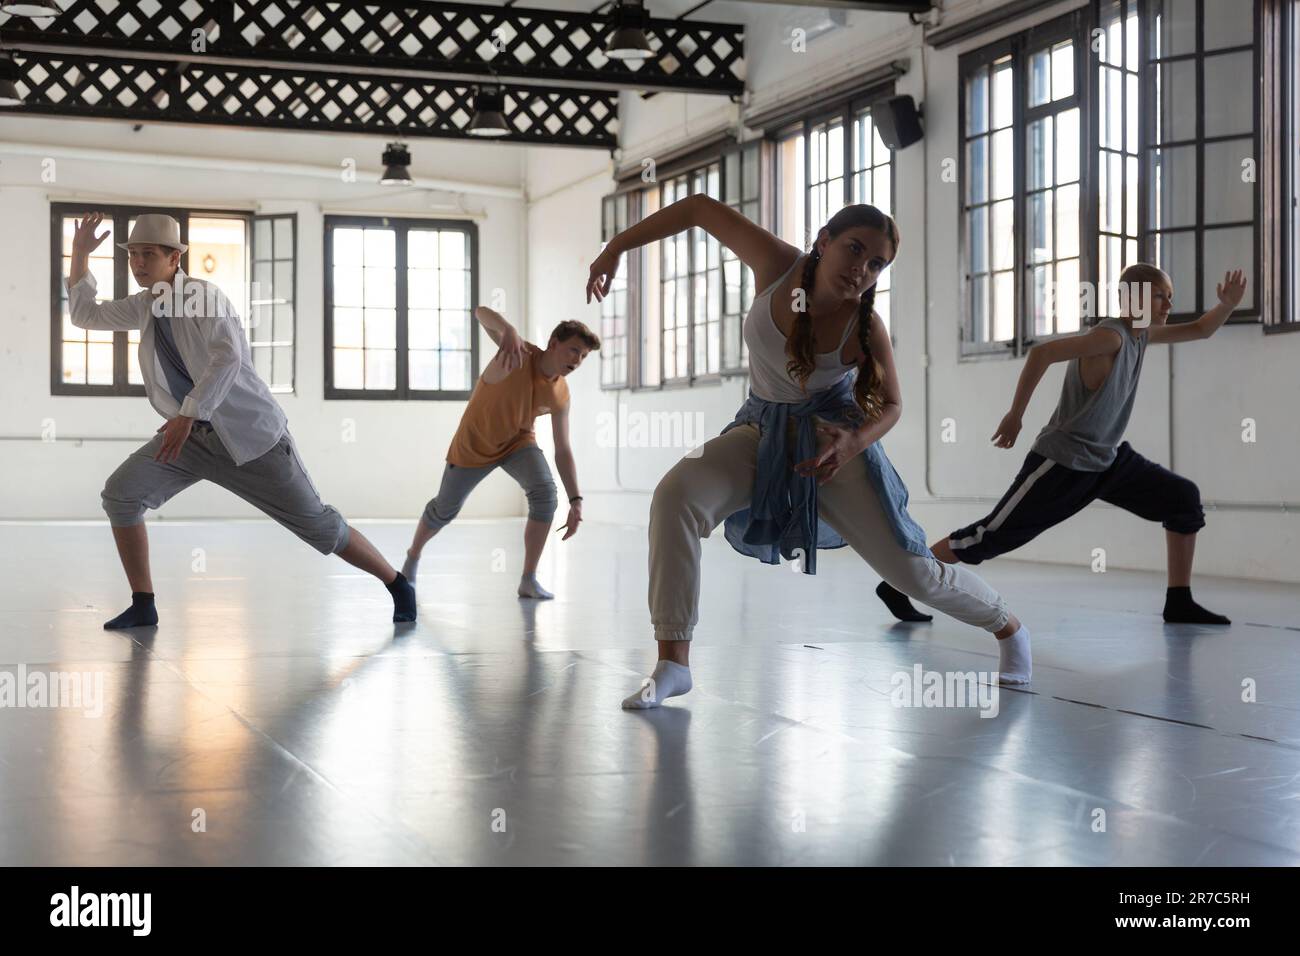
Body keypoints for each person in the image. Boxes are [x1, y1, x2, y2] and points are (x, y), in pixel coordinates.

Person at [587, 199, 1033, 709]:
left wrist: (853, 443)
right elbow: (697, 209)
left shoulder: (862, 324)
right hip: (760, 428)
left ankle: (1009, 629)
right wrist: (615, 247)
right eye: (854, 250)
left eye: (876, 264)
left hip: (830, 444)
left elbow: (891, 405)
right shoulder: (776, 265)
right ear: (823, 240)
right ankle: (673, 663)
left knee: (912, 574)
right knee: (675, 496)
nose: (861, 270)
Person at [67, 212, 416, 628]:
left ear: (174, 259)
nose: (139, 263)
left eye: (149, 255)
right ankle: (144, 604)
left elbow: (227, 356)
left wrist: (187, 413)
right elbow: (86, 316)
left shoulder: (202, 297)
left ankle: (397, 583)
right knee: (121, 495)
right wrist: (79, 255)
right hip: (191, 439)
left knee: (318, 526)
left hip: (251, 439)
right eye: (133, 255)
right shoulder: (146, 305)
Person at [877, 262, 1247, 626]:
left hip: (1108, 461)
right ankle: (900, 582)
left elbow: (1200, 329)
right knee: (986, 537)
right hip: (1063, 463)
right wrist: (1015, 415)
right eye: (1159, 297)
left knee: (1182, 498)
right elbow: (1042, 353)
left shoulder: (1142, 334)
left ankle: (1179, 603)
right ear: (1132, 299)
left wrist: (1226, 305)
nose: (1167, 305)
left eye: (1169, 297)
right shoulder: (1111, 336)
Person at [401, 305, 597, 599]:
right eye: (573, 351)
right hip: (475, 443)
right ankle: (411, 561)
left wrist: (576, 500)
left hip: (518, 442)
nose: (577, 360)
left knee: (545, 494)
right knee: (444, 509)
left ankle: (528, 579)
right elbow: (480, 312)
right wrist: (509, 329)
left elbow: (563, 449)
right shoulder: (518, 354)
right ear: (554, 344)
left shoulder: (561, 393)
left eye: (583, 356)